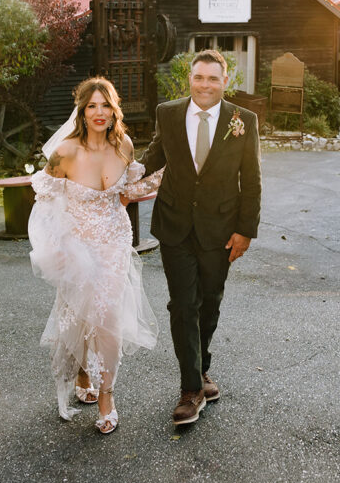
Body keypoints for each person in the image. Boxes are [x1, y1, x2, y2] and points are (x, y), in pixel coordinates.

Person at [28, 77, 160, 435]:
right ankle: (83, 373)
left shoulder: (124, 147)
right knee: (81, 315)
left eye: (105, 105)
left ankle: (107, 394)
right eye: (92, 106)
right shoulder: (67, 152)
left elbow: (123, 195)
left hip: (115, 242)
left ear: (113, 109)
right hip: (77, 246)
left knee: (109, 318)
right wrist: (55, 247)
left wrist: (162, 178)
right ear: (82, 112)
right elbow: (45, 203)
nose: (99, 112)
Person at [139, 49, 261, 426]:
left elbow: (252, 180)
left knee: (209, 303)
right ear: (189, 79)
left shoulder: (244, 121)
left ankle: (202, 367)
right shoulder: (169, 113)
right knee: (183, 304)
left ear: (225, 82)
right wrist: (121, 173)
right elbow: (155, 155)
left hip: (220, 229)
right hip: (174, 224)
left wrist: (245, 231)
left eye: (212, 78)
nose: (204, 85)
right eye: (198, 78)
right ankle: (190, 389)